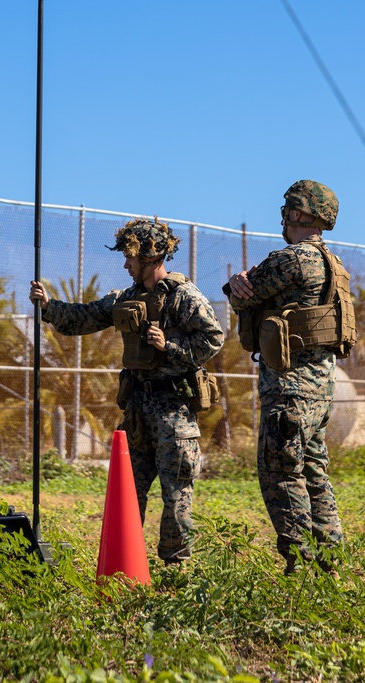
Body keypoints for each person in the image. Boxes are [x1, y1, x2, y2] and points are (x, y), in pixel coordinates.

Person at [30, 216, 224, 565]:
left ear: (150, 257)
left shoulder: (184, 296)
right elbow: (86, 317)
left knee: (176, 494)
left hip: (174, 410)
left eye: (130, 257)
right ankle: (126, 566)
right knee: (128, 494)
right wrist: (48, 307)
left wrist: (171, 346)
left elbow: (214, 338)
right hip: (137, 410)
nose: (125, 263)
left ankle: (174, 570)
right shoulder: (128, 297)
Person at [226, 180, 355, 572]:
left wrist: (235, 285)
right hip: (320, 389)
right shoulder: (336, 266)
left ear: (299, 214)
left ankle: (300, 564)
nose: (282, 217)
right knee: (314, 472)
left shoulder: (291, 259)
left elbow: (241, 295)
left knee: (280, 473)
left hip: (289, 389)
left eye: (287, 209)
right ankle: (331, 562)